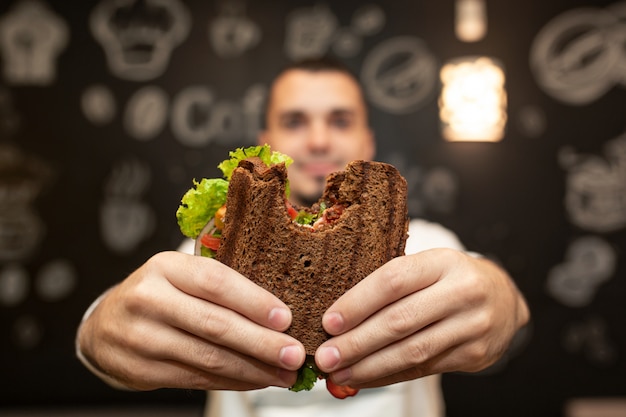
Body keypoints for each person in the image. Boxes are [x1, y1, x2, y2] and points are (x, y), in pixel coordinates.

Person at [76, 57, 530, 417]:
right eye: (294, 122)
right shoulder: (212, 251)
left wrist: (502, 299)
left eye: (339, 120)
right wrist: (101, 332)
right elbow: (123, 342)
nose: (316, 140)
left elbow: (504, 305)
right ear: (265, 139)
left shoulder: (428, 244)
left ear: (367, 141)